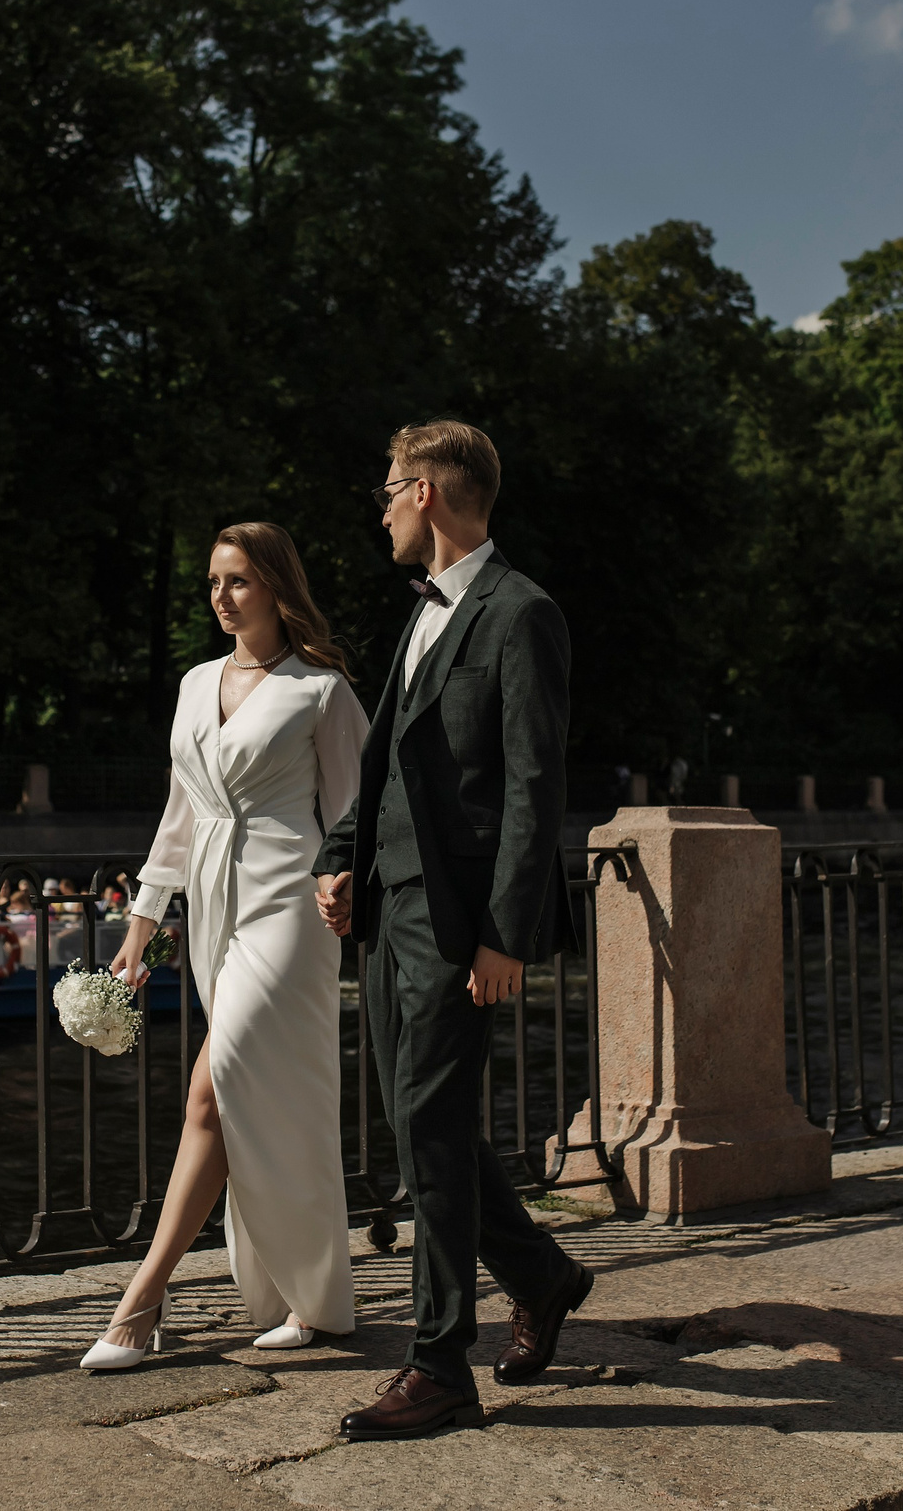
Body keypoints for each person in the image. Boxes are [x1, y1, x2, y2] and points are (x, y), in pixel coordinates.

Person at [313, 419, 594, 1441]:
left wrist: (505, 935)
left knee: (429, 1128)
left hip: (461, 921)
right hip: (392, 909)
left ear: (426, 492)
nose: (382, 507)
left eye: (389, 488)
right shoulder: (424, 612)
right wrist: (339, 856)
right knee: (418, 1122)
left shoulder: (522, 613)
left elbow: (533, 786)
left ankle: (439, 1366)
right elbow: (388, 761)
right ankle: (542, 1274)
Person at [80, 522, 370, 1371]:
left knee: (216, 1084)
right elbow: (182, 812)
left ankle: (143, 1296)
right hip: (212, 907)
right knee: (259, 1100)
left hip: (289, 905)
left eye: (238, 579)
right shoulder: (194, 682)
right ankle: (306, 1298)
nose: (221, 595)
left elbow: (356, 813)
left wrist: (347, 881)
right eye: (213, 580)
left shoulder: (322, 689)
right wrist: (142, 921)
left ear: (276, 585)